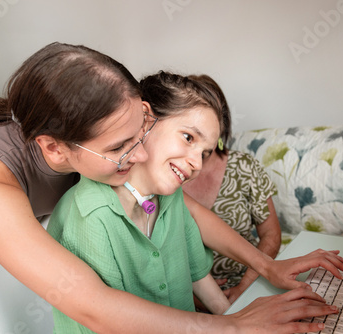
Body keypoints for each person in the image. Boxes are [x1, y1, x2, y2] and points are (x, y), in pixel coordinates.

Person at [0, 42, 343, 334]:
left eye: (142, 132)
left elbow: (185, 210)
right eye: (122, 147)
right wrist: (235, 328)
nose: (140, 155)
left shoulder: (92, 124)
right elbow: (90, 306)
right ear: (55, 149)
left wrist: (266, 265)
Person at [46, 71, 232, 332]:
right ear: (145, 122)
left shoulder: (171, 196)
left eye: (205, 153)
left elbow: (197, 275)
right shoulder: (91, 214)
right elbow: (112, 321)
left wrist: (237, 320)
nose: (197, 163)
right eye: (189, 137)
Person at [183, 74, 281, 303]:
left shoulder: (243, 167)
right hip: (185, 294)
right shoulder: (166, 175)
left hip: (243, 285)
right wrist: (192, 296)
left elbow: (271, 235)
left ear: (221, 123)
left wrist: (243, 288)